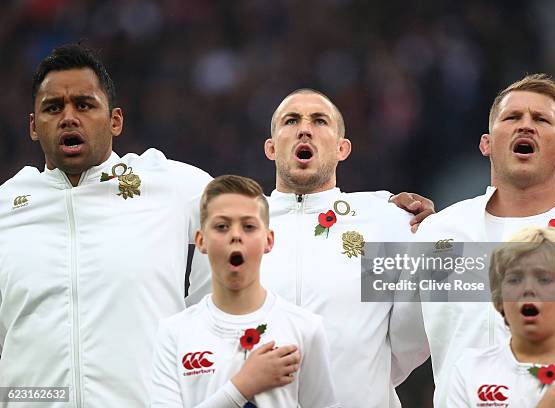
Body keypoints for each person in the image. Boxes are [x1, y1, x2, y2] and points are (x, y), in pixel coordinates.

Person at [190, 89, 432, 407]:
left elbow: (414, 334)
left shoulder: (385, 221)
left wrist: (368, 375)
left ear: (342, 148)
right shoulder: (231, 225)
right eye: (291, 121)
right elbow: (202, 328)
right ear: (271, 147)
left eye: (320, 121)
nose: (305, 129)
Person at [0, 44, 212, 407]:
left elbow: (246, 227)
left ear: (114, 120)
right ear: (34, 127)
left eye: (84, 105)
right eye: (53, 108)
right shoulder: (6, 207)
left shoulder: (170, 186)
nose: (68, 117)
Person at [411, 73, 555, 406]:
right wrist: (387, 213)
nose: (526, 126)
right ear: (486, 143)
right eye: (512, 117)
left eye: (541, 119)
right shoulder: (436, 233)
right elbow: (384, 343)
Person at [150, 175, 339, 407]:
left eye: (249, 226)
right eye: (221, 226)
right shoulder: (173, 333)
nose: (236, 235)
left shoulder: (306, 328)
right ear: (201, 241)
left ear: (268, 240)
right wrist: (243, 386)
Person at [447, 226, 555, 407]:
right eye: (515, 279)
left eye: (544, 279)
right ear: (499, 299)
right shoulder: (469, 370)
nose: (528, 289)